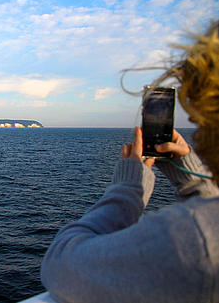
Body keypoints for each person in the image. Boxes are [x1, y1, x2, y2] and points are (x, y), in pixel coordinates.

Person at [40, 20, 219, 303]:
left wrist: (127, 190)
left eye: (202, 123)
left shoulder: (199, 240)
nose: (198, 133)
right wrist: (195, 179)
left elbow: (61, 265)